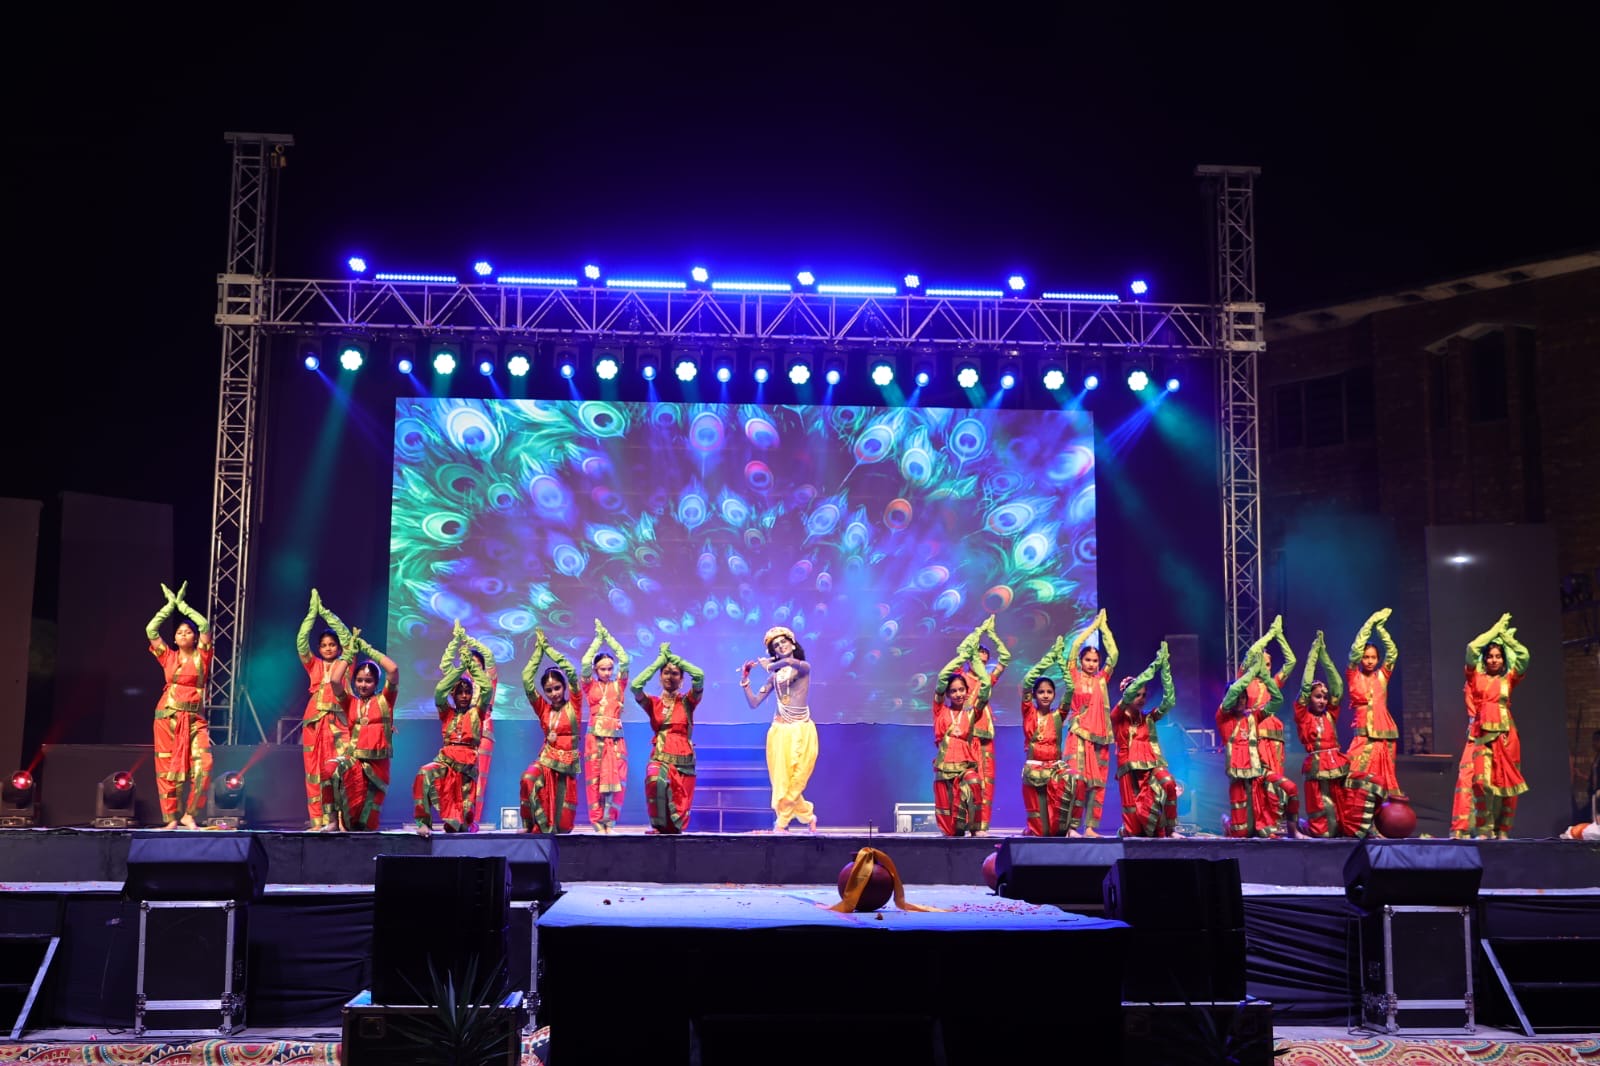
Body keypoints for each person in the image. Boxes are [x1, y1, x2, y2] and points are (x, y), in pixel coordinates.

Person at [1451, 613, 1530, 839]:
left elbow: (1524, 656)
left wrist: (1507, 639)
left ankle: (1502, 830)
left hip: (1507, 736)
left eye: (1498, 657)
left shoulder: (1509, 679)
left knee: (1506, 784)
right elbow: (1471, 648)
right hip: (1482, 735)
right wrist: (1496, 630)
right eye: (1490, 657)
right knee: (1480, 782)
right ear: (1484, 660)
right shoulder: (1475, 677)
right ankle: (1484, 828)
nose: (1494, 660)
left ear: (1503, 661)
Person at [144, 581, 213, 829]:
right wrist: (168, 607)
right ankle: (172, 819)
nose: (183, 634)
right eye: (179, 632)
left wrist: (183, 606)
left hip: (194, 720)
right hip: (166, 718)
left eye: (188, 632)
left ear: (195, 638)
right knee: (166, 770)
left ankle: (189, 814)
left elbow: (204, 625)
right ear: (174, 638)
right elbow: (151, 630)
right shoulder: (168, 656)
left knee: (204, 766)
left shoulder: (203, 655)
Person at [413, 628, 490, 836]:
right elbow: (440, 691)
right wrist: (460, 668)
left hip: (466, 767)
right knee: (424, 773)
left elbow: (487, 689)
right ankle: (423, 822)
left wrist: (471, 665)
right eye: (460, 693)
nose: (464, 696)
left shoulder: (477, 712)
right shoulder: (447, 713)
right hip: (446, 763)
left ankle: (462, 824)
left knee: (460, 826)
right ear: (454, 696)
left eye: (468, 692)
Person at [742, 625, 819, 832]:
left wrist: (771, 665)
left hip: (801, 729)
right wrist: (745, 680)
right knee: (781, 781)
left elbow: (788, 663)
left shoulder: (803, 667)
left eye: (783, 642)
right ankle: (806, 816)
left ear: (792, 644)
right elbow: (754, 703)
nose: (781, 646)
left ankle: (782, 823)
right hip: (779, 732)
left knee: (797, 779)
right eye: (776, 645)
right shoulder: (774, 677)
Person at [631, 642, 705, 834]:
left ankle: (671, 832)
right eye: (666, 672)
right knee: (654, 780)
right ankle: (657, 826)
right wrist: (659, 661)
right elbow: (635, 686)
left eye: (675, 673)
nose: (670, 677)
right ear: (660, 676)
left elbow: (699, 676)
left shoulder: (688, 701)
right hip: (660, 755)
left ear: (681, 679)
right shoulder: (653, 703)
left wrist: (674, 659)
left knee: (678, 809)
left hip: (684, 759)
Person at [296, 589, 353, 830]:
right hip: (315, 723)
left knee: (340, 769)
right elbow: (301, 642)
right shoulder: (314, 665)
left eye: (332, 645)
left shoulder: (346, 664)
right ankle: (318, 820)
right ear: (319, 649)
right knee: (314, 772)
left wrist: (326, 613)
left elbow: (348, 638)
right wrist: (312, 614)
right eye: (324, 645)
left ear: (338, 648)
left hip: (341, 722)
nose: (328, 648)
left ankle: (341, 819)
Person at [1112, 641, 1181, 838]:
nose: (1141, 698)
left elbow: (1169, 702)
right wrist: (1154, 665)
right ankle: (1125, 831)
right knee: (1135, 829)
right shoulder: (1117, 717)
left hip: (1151, 766)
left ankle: (1170, 829)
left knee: (1168, 783)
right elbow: (1129, 694)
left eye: (1144, 695)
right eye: (1137, 694)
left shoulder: (1148, 718)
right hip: (1129, 770)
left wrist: (1165, 667)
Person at [332, 631, 398, 831]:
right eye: (359, 680)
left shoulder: (385, 699)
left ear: (376, 683)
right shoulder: (349, 702)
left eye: (368, 681)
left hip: (378, 766)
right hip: (356, 762)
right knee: (331, 770)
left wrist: (368, 650)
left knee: (367, 820)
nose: (363, 684)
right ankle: (333, 821)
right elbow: (335, 681)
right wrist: (349, 654)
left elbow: (393, 669)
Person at [1060, 609, 1117, 836]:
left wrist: (1105, 628)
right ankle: (1071, 826)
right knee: (1078, 781)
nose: (1092, 664)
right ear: (1081, 661)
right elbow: (1074, 647)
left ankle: (1091, 827)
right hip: (1078, 734)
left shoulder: (1102, 679)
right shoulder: (1074, 675)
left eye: (1095, 661)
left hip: (1100, 737)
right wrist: (1092, 628)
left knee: (1098, 784)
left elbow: (1114, 654)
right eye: (1088, 660)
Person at [520, 628, 583, 834]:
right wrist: (538, 652)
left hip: (566, 763)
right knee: (528, 778)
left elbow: (571, 672)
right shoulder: (543, 709)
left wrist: (548, 648)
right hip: (546, 759)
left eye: (557, 688)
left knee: (561, 825)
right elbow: (527, 680)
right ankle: (530, 825)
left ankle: (547, 829)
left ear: (564, 687)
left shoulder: (574, 705)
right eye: (549, 690)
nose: (554, 693)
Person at [1217, 628, 1279, 838]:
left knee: (1258, 826)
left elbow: (1277, 700)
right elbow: (1235, 691)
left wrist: (1265, 676)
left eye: (1244, 697)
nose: (1241, 700)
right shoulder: (1223, 718)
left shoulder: (1254, 717)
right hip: (1237, 773)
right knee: (1241, 831)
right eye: (1237, 697)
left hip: (1256, 769)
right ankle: (1228, 823)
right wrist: (1253, 671)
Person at [1345, 607, 1401, 838]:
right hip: (1362, 738)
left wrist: (1381, 630)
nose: (1369, 661)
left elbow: (1393, 652)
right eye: (1366, 657)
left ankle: (1381, 826)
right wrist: (1369, 624)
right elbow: (1354, 651)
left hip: (1384, 738)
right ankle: (1356, 825)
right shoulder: (1353, 675)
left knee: (1384, 782)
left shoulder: (1382, 676)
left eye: (1373, 657)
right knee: (1356, 777)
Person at [1292, 630, 1353, 837]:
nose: (1322, 701)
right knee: (1321, 810)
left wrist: (1324, 655)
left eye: (1324, 698)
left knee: (1339, 808)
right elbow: (1305, 686)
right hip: (1317, 766)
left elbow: (1338, 686)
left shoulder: (1330, 714)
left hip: (1336, 763)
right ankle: (1309, 828)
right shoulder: (1303, 716)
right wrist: (1312, 656)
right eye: (1318, 697)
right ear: (1309, 698)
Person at [1245, 615, 1301, 836]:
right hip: (1255, 738)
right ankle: (1261, 824)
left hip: (1275, 740)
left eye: (1268, 664)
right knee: (1259, 782)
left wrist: (1279, 636)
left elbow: (1291, 662)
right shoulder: (1245, 682)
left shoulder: (1274, 684)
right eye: (1261, 663)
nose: (1265, 668)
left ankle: (1275, 824)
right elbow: (1251, 653)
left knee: (1276, 782)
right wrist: (1269, 635)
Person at [931, 634, 990, 837]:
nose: (958, 694)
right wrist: (962, 657)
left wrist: (975, 660)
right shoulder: (940, 711)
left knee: (974, 783)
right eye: (953, 691)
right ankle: (954, 833)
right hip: (945, 765)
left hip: (965, 764)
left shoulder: (971, 713)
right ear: (947, 694)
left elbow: (986, 685)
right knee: (951, 826)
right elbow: (942, 678)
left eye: (961, 690)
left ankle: (975, 828)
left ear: (966, 691)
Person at [445, 628, 500, 831]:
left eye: (477, 665)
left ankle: (472, 821)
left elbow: (490, 656)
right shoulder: (461, 685)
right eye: (470, 664)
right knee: (458, 777)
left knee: (479, 779)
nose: (473, 668)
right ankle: (456, 818)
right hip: (462, 734)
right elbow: (445, 667)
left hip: (484, 732)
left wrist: (469, 640)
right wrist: (456, 643)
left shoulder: (488, 683)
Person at [961, 616, 1011, 835]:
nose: (980, 664)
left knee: (986, 781)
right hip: (966, 733)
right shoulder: (960, 679)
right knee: (968, 779)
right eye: (977, 660)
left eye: (984, 661)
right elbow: (963, 650)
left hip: (985, 734)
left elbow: (1005, 658)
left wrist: (992, 634)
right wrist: (979, 631)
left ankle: (982, 826)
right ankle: (965, 824)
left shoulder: (987, 681)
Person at [580, 619, 631, 833]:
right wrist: (598, 639)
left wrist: (608, 637)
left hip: (616, 740)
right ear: (595, 669)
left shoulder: (619, 685)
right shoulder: (589, 685)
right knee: (595, 781)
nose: (607, 672)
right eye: (603, 669)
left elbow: (625, 659)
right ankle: (597, 823)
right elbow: (584, 662)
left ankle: (610, 823)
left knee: (617, 780)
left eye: (610, 668)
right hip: (595, 740)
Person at [1019, 637, 1069, 836]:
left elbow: (1071, 689)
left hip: (1055, 770)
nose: (1046, 695)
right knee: (1041, 828)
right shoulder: (1029, 712)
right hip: (1034, 770)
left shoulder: (1058, 715)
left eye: (1049, 692)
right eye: (1041, 692)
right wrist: (1050, 658)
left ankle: (1070, 829)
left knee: (1056, 825)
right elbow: (1028, 681)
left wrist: (1061, 661)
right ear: (1034, 695)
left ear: (1054, 694)